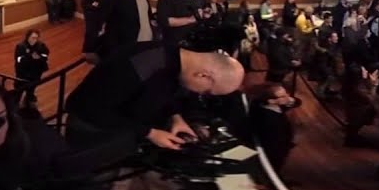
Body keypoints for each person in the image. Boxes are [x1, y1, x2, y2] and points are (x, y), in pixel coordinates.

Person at [65, 24, 246, 163]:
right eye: (207, 91)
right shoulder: (142, 64)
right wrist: (149, 133)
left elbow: (161, 94)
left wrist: (175, 117)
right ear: (203, 75)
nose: (202, 94)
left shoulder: (177, 61)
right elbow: (89, 110)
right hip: (90, 132)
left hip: (121, 124)